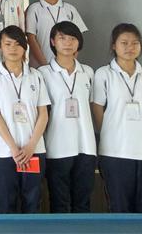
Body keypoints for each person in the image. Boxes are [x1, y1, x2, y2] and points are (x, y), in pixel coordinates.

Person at [92, 23, 142, 213]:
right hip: (116, 150)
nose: (130, 47)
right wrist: (109, 130)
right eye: (124, 43)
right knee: (120, 209)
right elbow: (97, 107)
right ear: (114, 45)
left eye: (135, 43)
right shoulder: (103, 74)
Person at [0, 26, 49, 213]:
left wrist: (31, 146)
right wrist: (14, 148)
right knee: (6, 203)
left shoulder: (36, 76)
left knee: (32, 203)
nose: (13, 48)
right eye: (8, 44)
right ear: (0, 47)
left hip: (34, 150)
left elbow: (43, 114)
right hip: (5, 152)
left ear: (25, 47)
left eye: (17, 44)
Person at [38, 21, 96, 213]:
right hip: (57, 146)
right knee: (59, 203)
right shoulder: (42, 73)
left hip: (86, 145)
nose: (68, 43)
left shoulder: (88, 72)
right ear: (52, 41)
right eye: (62, 38)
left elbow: (93, 106)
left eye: (72, 38)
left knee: (83, 203)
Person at [25, 0, 88, 67]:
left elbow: (78, 37)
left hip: (66, 65)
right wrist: (45, 66)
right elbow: (31, 39)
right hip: (40, 66)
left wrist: (70, 61)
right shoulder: (34, 9)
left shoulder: (70, 9)